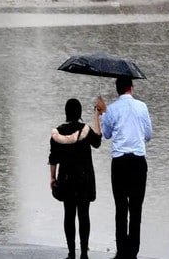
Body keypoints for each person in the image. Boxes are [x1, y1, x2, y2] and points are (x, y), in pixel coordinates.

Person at [95, 77, 152, 259]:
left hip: (119, 163)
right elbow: (149, 135)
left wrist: (103, 113)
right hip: (138, 161)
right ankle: (133, 252)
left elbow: (106, 134)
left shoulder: (111, 109)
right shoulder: (142, 107)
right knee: (136, 208)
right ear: (131, 88)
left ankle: (121, 250)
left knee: (121, 207)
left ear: (117, 89)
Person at [49, 98, 103, 259]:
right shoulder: (85, 130)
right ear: (79, 113)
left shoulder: (57, 133)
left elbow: (53, 158)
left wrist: (52, 178)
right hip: (84, 180)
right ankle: (84, 253)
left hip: (66, 180)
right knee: (84, 215)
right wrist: (97, 116)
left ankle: (71, 253)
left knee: (69, 215)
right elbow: (98, 142)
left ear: (66, 112)